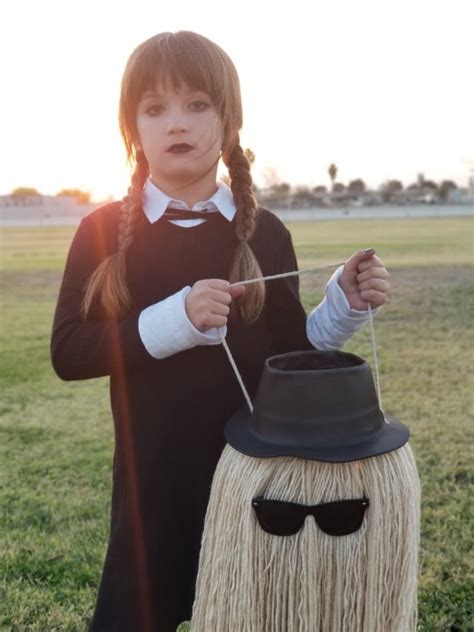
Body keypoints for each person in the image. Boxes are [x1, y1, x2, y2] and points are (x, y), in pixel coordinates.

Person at [50, 31, 390, 632]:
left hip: (255, 477)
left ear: (230, 121)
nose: (176, 122)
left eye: (198, 104)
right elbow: (69, 352)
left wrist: (343, 305)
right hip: (152, 480)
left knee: (251, 612)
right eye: (155, 108)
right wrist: (171, 321)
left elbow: (291, 356)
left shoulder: (265, 232)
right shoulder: (102, 231)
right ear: (132, 127)